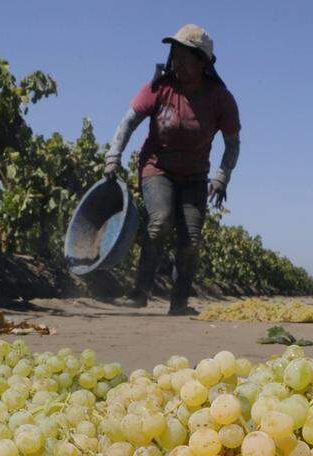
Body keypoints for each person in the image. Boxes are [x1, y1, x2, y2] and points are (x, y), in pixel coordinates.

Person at [104, 23, 241, 315]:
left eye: (185, 56)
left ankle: (179, 303)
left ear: (203, 63)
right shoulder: (160, 87)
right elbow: (128, 122)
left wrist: (221, 176)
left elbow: (232, 143)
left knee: (191, 238)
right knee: (160, 222)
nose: (177, 61)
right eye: (174, 54)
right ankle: (139, 292)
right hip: (158, 168)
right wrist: (113, 156)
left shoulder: (220, 98)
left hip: (194, 176)